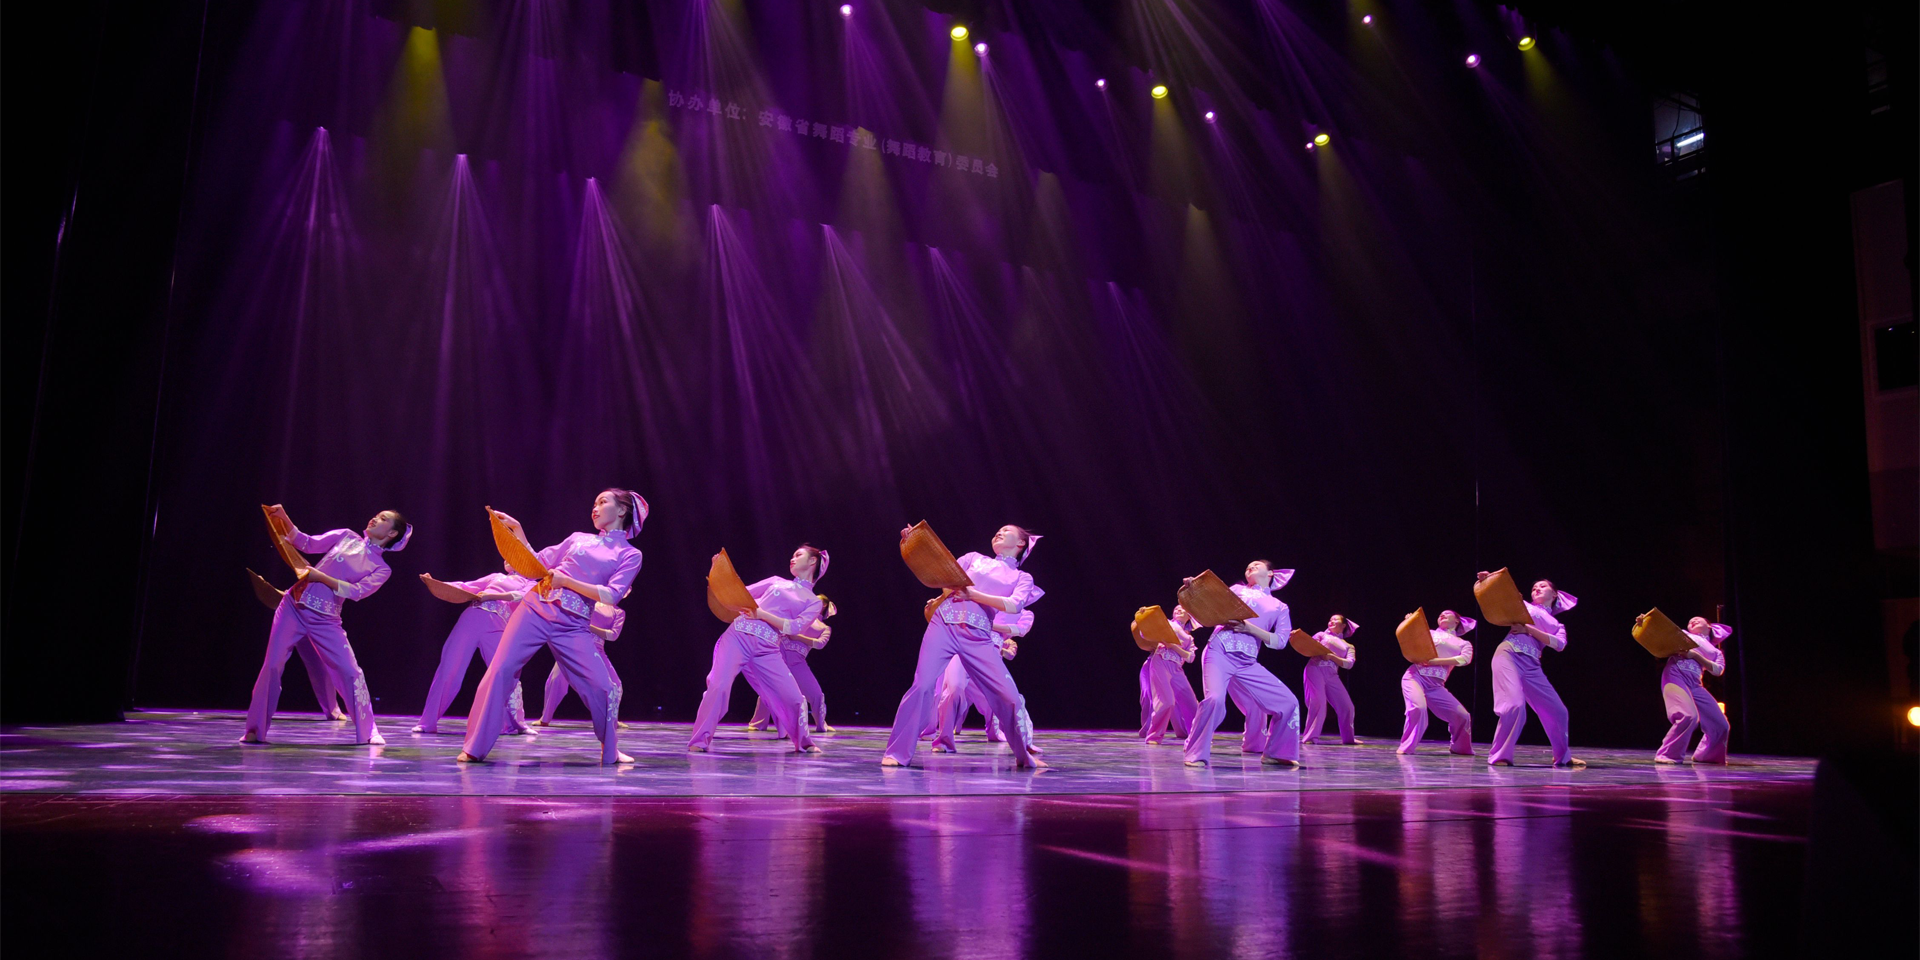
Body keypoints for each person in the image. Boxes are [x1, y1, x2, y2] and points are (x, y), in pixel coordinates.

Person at [458, 490, 643, 765]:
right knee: (501, 670)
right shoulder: (578, 538)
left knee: (603, 687)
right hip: (535, 609)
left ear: (622, 510)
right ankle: (474, 747)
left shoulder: (630, 554)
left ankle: (611, 750)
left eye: (603, 502)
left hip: (574, 625)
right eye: (594, 502)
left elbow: (612, 595)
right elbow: (538, 563)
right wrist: (518, 530)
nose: (595, 507)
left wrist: (567, 582)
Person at [242, 505, 409, 745]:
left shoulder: (381, 568)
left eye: (383, 519)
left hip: (326, 619)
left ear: (392, 533)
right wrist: (284, 517)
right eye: (376, 515)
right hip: (293, 607)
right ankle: (255, 729)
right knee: (272, 666)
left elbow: (356, 592)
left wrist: (320, 577)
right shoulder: (346, 536)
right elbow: (307, 543)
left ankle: (369, 731)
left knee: (350, 672)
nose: (374, 518)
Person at [882, 525, 1044, 768]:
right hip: (944, 623)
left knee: (1009, 697)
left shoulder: (1022, 577)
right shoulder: (973, 558)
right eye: (997, 530)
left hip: (979, 636)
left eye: (1006, 530)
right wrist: (918, 545)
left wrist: (973, 595)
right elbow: (942, 574)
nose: (998, 532)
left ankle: (1023, 755)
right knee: (923, 685)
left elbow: (1014, 605)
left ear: (1021, 543)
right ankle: (897, 753)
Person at [687, 545, 829, 754]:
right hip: (739, 636)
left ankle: (804, 742)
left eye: (798, 555)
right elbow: (737, 594)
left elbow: (794, 628)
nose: (792, 558)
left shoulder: (813, 602)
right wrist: (718, 574)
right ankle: (699, 741)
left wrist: (762, 614)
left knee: (794, 698)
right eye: (792, 554)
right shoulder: (776, 581)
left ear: (812, 561)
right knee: (719, 685)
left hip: (768, 649)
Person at [1182, 560, 1303, 768]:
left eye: (1256, 564)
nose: (1250, 567)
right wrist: (1196, 591)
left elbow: (1281, 641)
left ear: (1271, 573)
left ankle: (1275, 753)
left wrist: (1250, 629)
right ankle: (1195, 753)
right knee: (1215, 700)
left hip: (1247, 662)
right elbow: (1210, 608)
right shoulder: (1237, 590)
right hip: (1220, 651)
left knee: (1289, 703)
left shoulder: (1279, 606)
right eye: (1248, 566)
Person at [413, 563, 537, 736]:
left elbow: (520, 596)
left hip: (498, 624)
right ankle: (427, 723)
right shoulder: (495, 576)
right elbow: (466, 587)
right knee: (449, 668)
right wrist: (435, 583)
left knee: (506, 672)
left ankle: (514, 723)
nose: (507, 560)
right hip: (472, 618)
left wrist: (490, 596)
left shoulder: (530, 583)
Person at [1483, 573, 1583, 767]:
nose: (1537, 588)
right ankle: (1500, 756)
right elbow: (1500, 597)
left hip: (1532, 666)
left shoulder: (1557, 625)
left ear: (1554, 594)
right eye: (1534, 587)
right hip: (1509, 654)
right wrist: (1488, 581)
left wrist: (1529, 630)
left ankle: (1562, 756)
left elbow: (1559, 644)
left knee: (1558, 711)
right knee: (1514, 706)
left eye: (1543, 586)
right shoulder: (1524, 606)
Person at [744, 547, 836, 735]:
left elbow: (819, 644)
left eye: (821, 603)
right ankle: (759, 723)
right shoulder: (799, 608)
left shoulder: (823, 628)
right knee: (769, 690)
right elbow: (782, 617)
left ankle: (821, 724)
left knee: (816, 694)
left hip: (797, 661)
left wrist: (798, 637)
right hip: (779, 653)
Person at [1654, 617, 1731, 764]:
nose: (1692, 621)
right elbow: (1658, 637)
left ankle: (1706, 755)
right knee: (1688, 716)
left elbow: (1717, 670)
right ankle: (1667, 754)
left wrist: (1695, 655)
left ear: (1709, 626)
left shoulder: (1716, 651)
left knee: (1721, 724)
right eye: (1690, 621)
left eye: (1697, 619)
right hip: (1676, 675)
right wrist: (1645, 624)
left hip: (1695, 684)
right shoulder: (1683, 634)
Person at [1398, 610, 1476, 755]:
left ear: (1457, 620)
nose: (1442, 615)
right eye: (1440, 614)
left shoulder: (1463, 643)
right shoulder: (1429, 633)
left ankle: (1459, 748)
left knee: (1462, 716)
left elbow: (1464, 660)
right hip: (1415, 677)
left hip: (1435, 686)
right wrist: (1410, 624)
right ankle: (1406, 747)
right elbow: (1410, 641)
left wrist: (1436, 661)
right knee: (1418, 708)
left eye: (1447, 613)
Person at [1138, 606, 1199, 745]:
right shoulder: (1167, 624)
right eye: (1176, 609)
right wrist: (1144, 618)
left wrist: (1173, 646)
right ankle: (1154, 736)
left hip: (1177, 668)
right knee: (1167, 701)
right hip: (1161, 662)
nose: (1178, 610)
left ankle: (1197, 736)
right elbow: (1145, 635)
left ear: (1189, 615)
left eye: (1183, 609)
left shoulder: (1189, 637)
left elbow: (1190, 658)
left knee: (1191, 703)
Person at [1300, 614, 1359, 745]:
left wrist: (1332, 657)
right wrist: (1298, 639)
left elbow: (1349, 664)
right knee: (1319, 703)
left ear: (1343, 625)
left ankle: (1349, 738)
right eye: (1330, 619)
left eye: (1335, 619)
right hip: (1315, 669)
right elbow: (1308, 647)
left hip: (1332, 675)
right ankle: (1310, 737)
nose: (1331, 621)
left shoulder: (1348, 646)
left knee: (1347, 706)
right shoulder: (1321, 635)